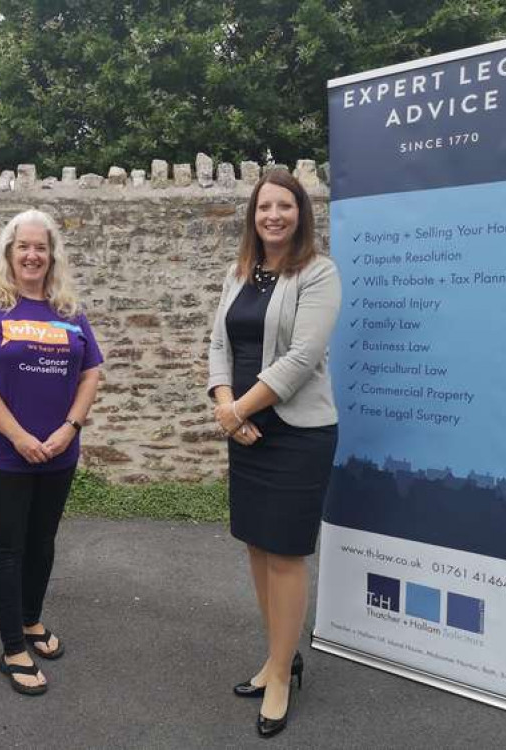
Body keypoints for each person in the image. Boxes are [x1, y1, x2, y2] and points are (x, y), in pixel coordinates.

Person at [207, 169, 340, 738]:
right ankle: (277, 655)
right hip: (244, 430)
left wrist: (237, 411)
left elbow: (302, 357)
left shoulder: (319, 273)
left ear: (300, 214)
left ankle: (283, 676)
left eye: (285, 206)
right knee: (258, 549)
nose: (274, 216)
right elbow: (217, 344)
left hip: (295, 434)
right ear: (253, 215)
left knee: (286, 555)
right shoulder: (239, 273)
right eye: (265, 207)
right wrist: (225, 405)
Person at [0, 209, 103, 696]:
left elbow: (90, 374)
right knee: (7, 548)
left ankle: (32, 619)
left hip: (59, 452)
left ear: (52, 255)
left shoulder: (69, 314)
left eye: (41, 247)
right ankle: (13, 645)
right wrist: (18, 435)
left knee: (42, 543)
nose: (33, 254)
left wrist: (70, 427)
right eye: (24, 246)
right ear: (9, 253)